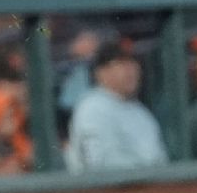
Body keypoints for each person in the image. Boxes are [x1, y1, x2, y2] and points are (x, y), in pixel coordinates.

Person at [66, 42, 169, 173]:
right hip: (107, 185)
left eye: (132, 63)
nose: (130, 70)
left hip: (149, 183)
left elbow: (160, 159)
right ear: (101, 72)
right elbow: (101, 165)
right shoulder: (92, 107)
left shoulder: (140, 111)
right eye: (122, 64)